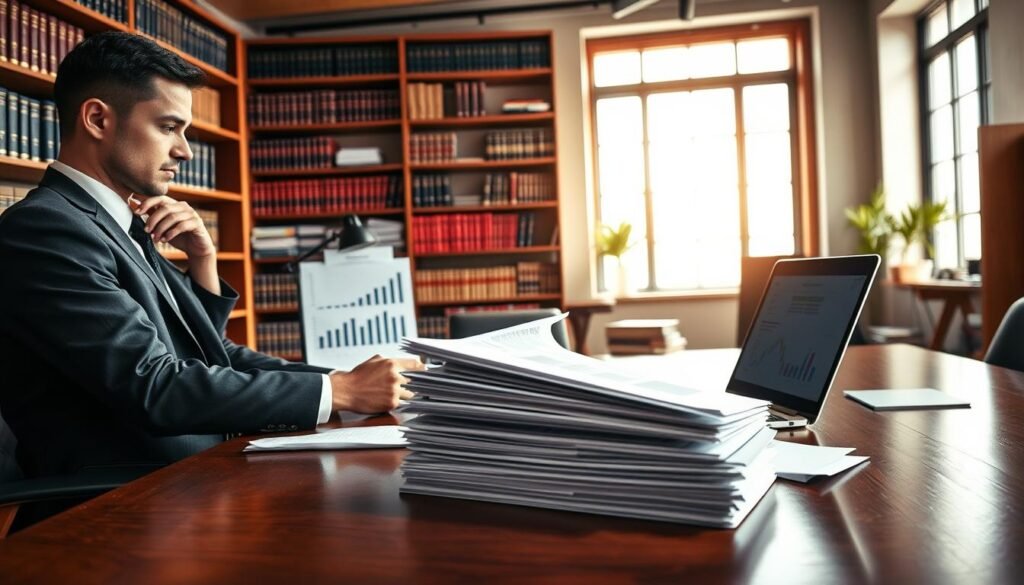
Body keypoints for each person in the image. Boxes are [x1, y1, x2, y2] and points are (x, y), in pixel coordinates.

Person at [0, 31, 422, 483]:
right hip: (122, 501)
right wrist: (340, 390)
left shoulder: (115, 223)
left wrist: (354, 380)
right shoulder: (46, 229)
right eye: (168, 127)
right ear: (98, 120)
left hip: (189, 476)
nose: (183, 150)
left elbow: (210, 355)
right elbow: (154, 386)